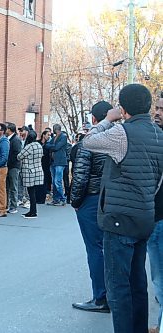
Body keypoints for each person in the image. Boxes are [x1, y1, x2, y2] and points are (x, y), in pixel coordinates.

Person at [82, 84, 163, 333]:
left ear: (123, 108)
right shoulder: (159, 134)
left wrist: (107, 119)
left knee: (118, 287)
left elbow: (88, 142)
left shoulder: (121, 133)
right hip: (145, 217)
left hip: (119, 220)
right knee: (137, 282)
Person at [70, 101, 111, 314]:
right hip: (113, 199)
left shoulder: (91, 140)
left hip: (92, 198)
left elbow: (80, 174)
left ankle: (100, 297)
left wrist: (75, 202)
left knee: (95, 248)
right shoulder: (120, 136)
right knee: (111, 248)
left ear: (94, 119)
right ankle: (113, 295)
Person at [148, 92, 163, 333]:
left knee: (160, 281)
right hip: (154, 218)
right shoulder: (155, 136)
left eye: (162, 109)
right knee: (158, 280)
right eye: (157, 108)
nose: (157, 112)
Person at [17, 130, 43, 218]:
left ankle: (33, 211)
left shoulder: (29, 146)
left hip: (29, 171)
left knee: (31, 192)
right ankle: (33, 210)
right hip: (38, 170)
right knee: (34, 192)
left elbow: (19, 156)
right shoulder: (39, 145)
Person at [45, 124, 68, 206]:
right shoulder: (54, 138)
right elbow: (47, 145)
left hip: (60, 162)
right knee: (54, 182)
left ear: (55, 129)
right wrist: (52, 146)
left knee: (57, 181)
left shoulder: (63, 137)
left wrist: (51, 146)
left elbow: (56, 147)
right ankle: (56, 199)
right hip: (53, 162)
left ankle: (62, 198)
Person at [5, 122, 21, 214]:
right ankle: (6, 204)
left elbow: (16, 154)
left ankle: (13, 206)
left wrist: (9, 162)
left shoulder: (16, 140)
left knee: (13, 186)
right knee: (6, 186)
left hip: (13, 166)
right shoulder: (7, 139)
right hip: (7, 166)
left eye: (6, 129)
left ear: (10, 130)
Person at [36, 130, 51, 204]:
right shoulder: (37, 143)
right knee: (37, 182)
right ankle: (37, 197)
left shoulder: (49, 145)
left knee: (44, 181)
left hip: (46, 165)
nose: (49, 136)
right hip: (38, 164)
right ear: (43, 135)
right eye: (48, 135)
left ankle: (42, 198)